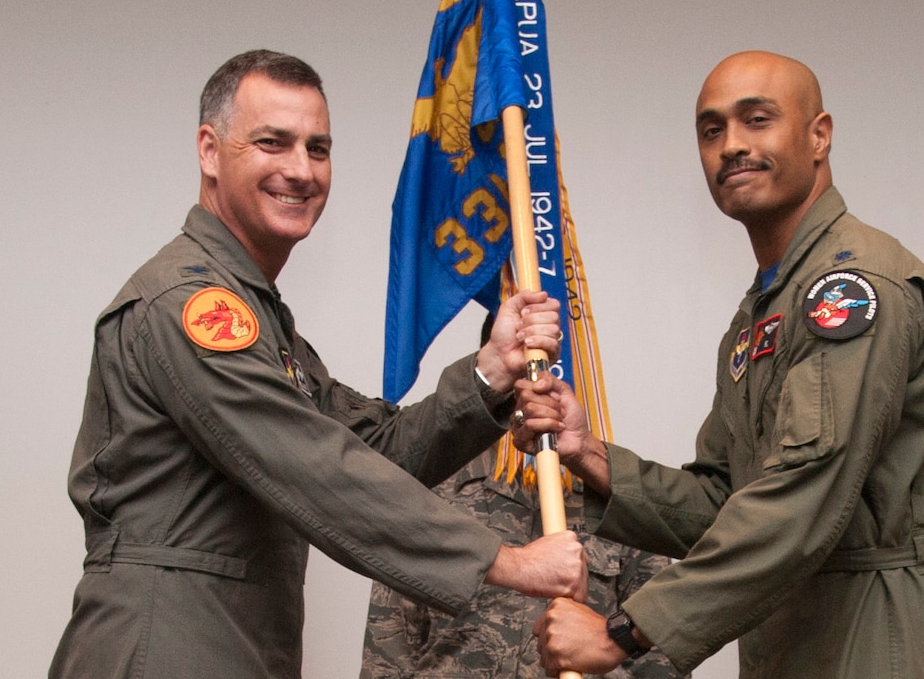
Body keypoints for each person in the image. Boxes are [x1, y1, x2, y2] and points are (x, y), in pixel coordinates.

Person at [49, 49, 588, 679]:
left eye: (319, 148)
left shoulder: (259, 317)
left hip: (232, 642)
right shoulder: (193, 305)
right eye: (272, 143)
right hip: (166, 643)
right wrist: (508, 561)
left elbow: (371, 448)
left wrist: (490, 372)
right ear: (209, 150)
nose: (301, 170)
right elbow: (314, 469)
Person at [516, 51, 924, 677]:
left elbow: (803, 496)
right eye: (712, 131)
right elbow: (724, 505)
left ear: (818, 135)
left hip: (880, 636)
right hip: (795, 635)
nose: (732, 145)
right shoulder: (764, 312)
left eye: (757, 120)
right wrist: (588, 454)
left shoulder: (850, 288)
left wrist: (623, 631)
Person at [360, 317, 689, 679]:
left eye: (552, 360)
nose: (539, 378)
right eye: (525, 358)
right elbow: (388, 647)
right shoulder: (435, 489)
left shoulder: (618, 497)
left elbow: (659, 649)